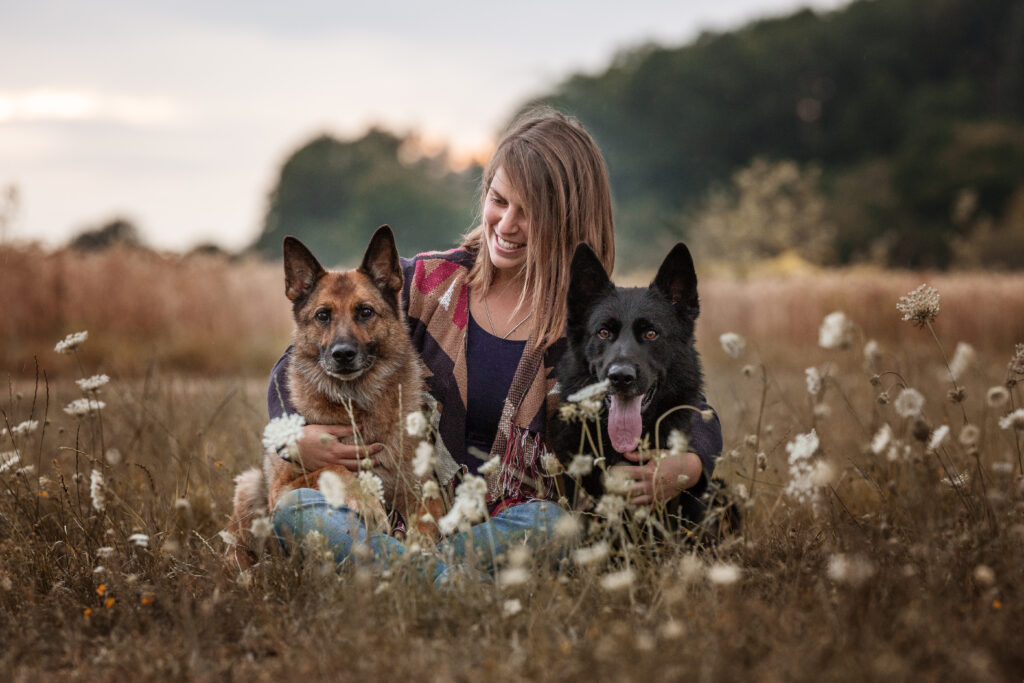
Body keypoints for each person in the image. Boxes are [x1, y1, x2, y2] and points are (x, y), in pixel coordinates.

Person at [266, 107, 723, 582]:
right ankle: (440, 581)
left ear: (569, 219)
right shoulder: (420, 284)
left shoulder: (589, 317)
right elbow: (294, 365)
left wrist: (690, 465)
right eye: (499, 200)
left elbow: (688, 403)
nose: (506, 224)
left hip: (509, 522)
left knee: (553, 526)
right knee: (297, 507)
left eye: (528, 213)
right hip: (399, 513)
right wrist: (293, 436)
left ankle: (400, 578)